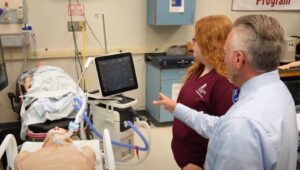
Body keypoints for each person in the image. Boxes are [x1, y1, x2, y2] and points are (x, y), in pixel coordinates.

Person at [154, 14, 298, 170]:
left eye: (225, 51)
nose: (222, 56)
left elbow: (234, 127)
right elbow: (221, 125)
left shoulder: (242, 124)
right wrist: (177, 108)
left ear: (238, 59)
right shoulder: (279, 90)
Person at [170, 15, 237, 170]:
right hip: (185, 156)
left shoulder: (223, 83)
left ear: (210, 44)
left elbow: (225, 134)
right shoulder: (199, 69)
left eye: (196, 40)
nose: (192, 43)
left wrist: (204, 165)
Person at [15, 127, 97, 170]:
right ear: (46, 139)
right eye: (53, 130)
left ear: (69, 138)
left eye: (61, 129)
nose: (56, 127)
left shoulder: (84, 150)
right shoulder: (24, 154)